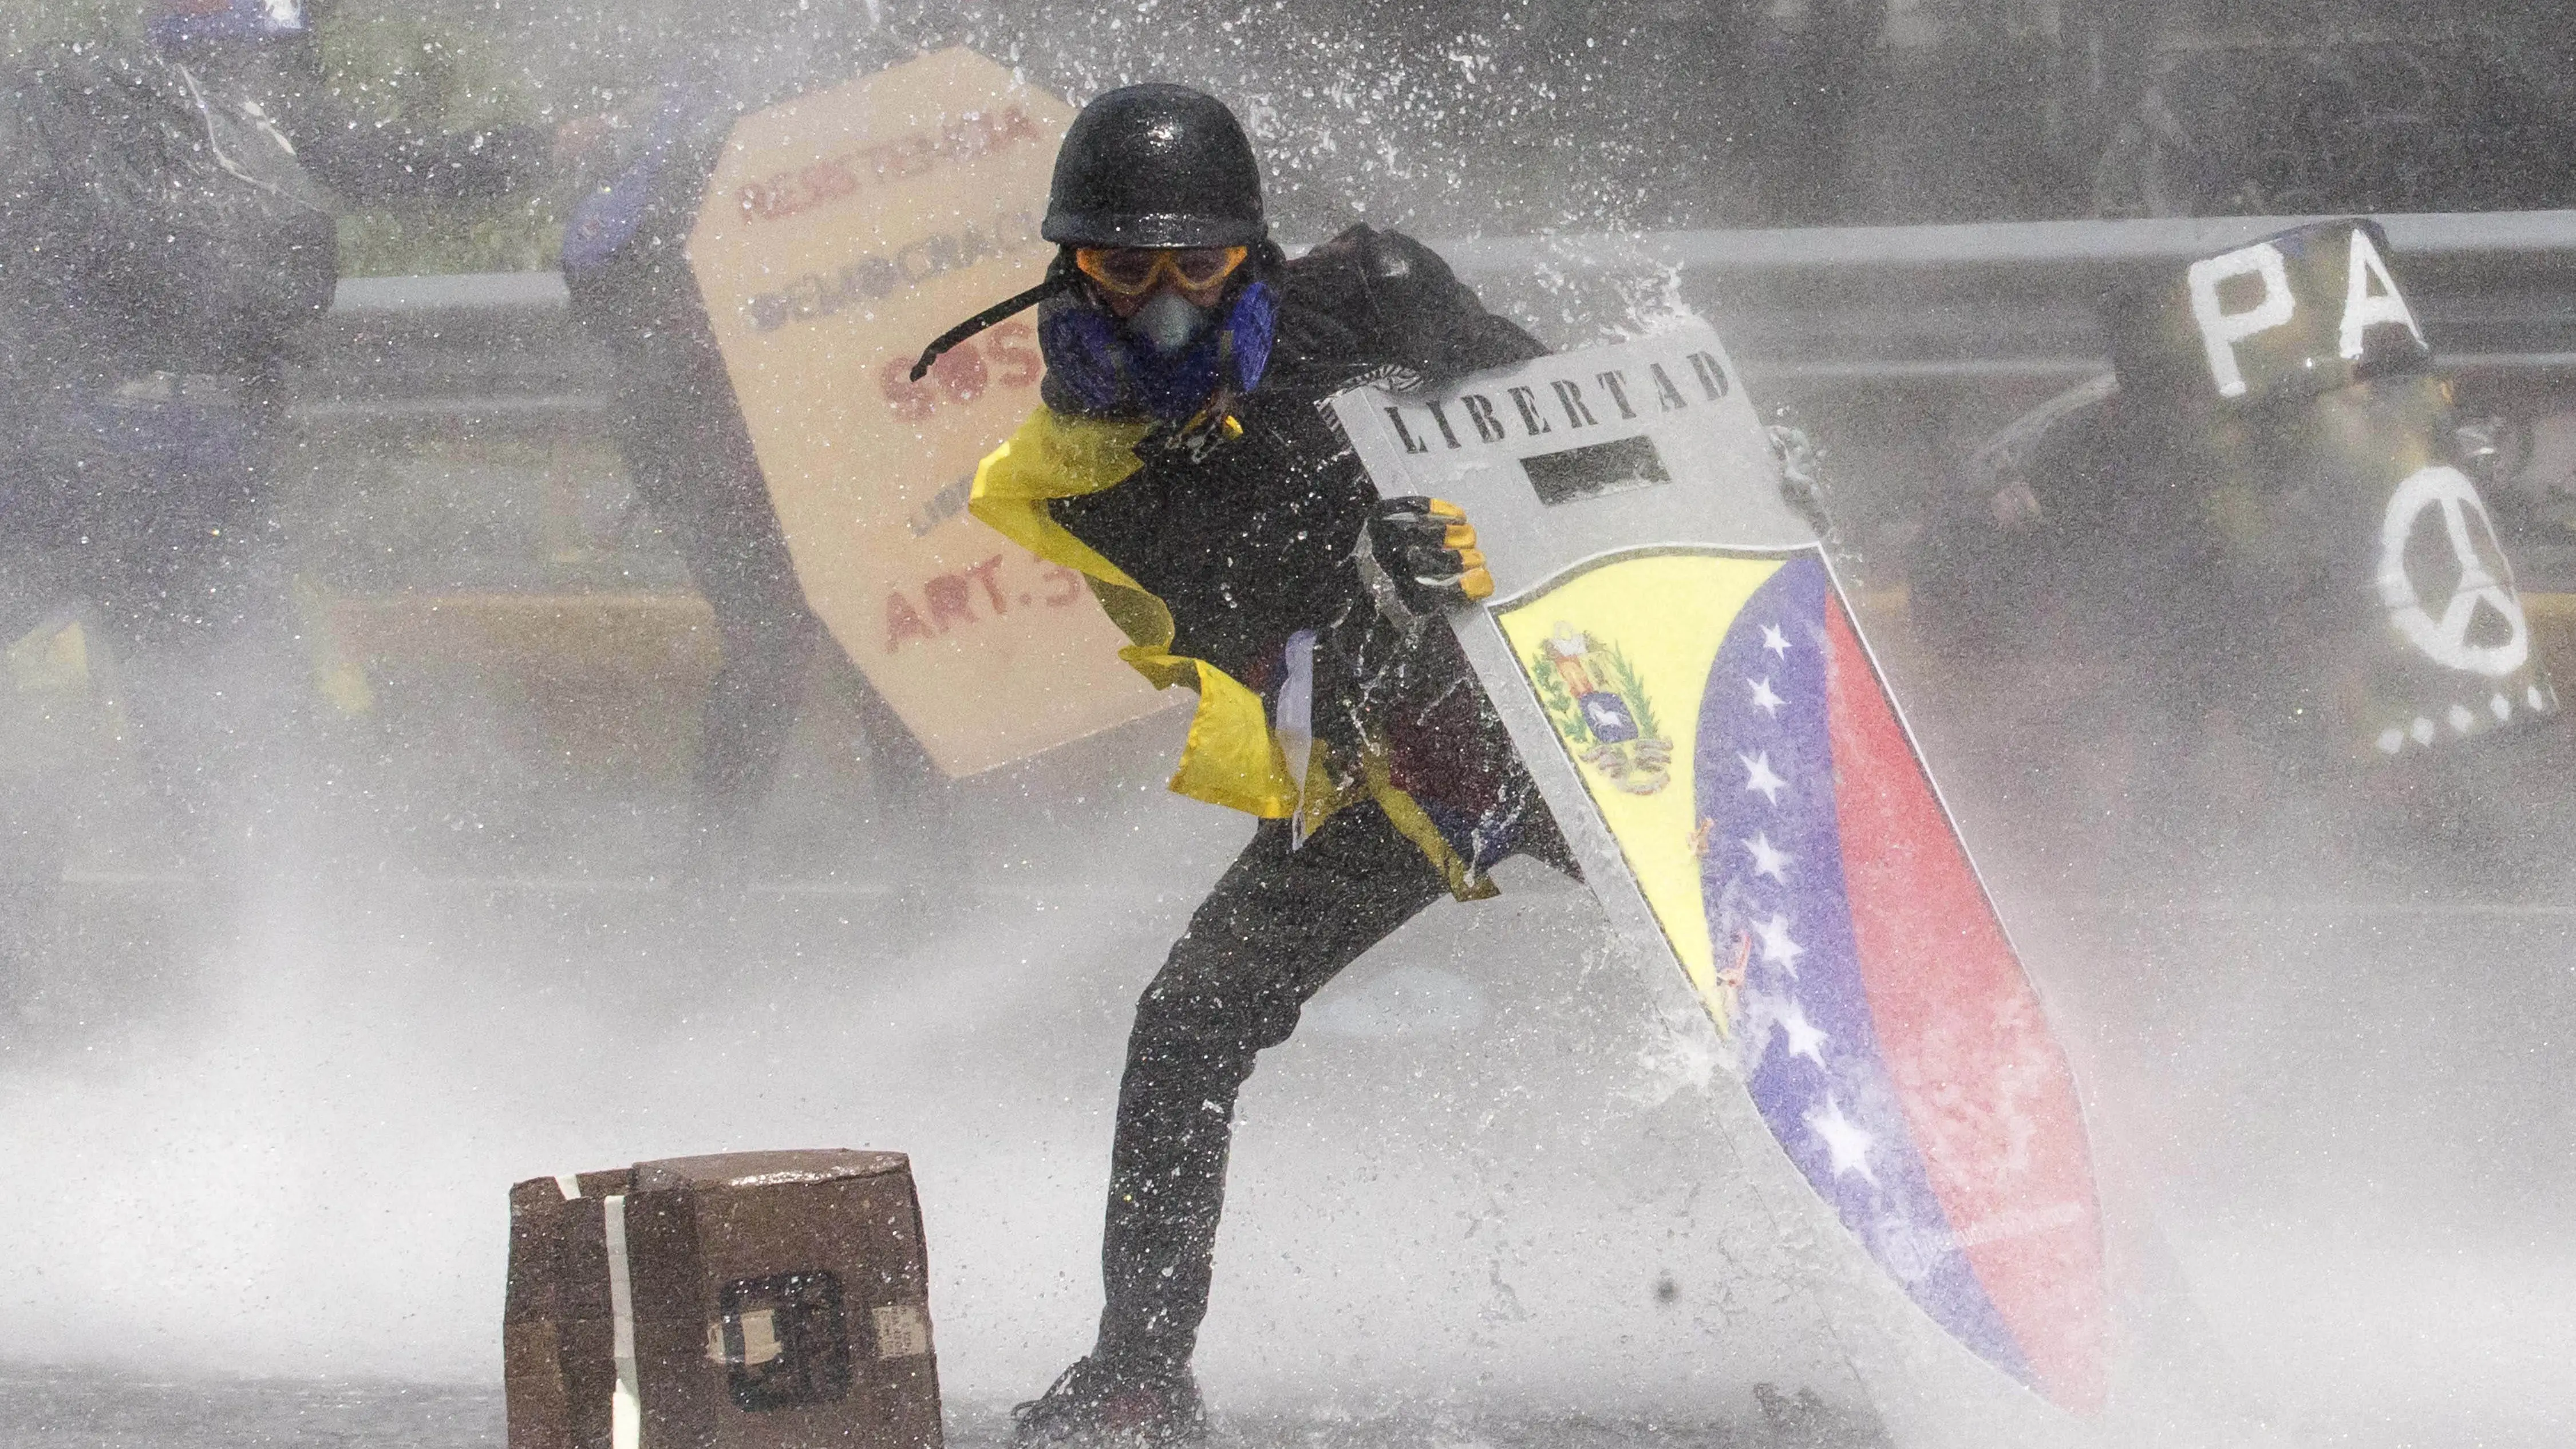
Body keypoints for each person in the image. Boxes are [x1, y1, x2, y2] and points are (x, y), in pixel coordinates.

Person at [918, 84, 1575, 1445]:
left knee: (1748, 971)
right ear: (1067, 272)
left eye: (1198, 265)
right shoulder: (1087, 471)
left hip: (1579, 706)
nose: (1163, 305)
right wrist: (1375, 574)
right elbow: (1266, 618)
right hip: (1412, 758)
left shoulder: (1379, 299)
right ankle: (1141, 1373)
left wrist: (1479, 534)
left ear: (1253, 258)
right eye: (1121, 267)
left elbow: (1585, 441)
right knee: (1189, 1017)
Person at [0, 0, 538, 971]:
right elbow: (413, 169)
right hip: (188, 474)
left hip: (81, 474)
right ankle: (258, 978)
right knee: (208, 738)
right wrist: (541, 149)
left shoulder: (83, 115)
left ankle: (74, 970)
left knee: (134, 735)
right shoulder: (244, 134)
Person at [558, 53, 934, 870]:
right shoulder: (704, 116)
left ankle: (923, 878)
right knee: (798, 639)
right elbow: (599, 262)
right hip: (707, 419)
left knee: (876, 633)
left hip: (771, 415)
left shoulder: (794, 94)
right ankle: (719, 883)